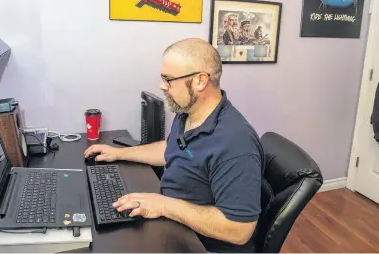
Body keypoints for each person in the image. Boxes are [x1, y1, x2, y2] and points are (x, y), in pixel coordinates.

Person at [84, 38, 264, 253]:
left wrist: (164, 205)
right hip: (175, 225)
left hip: (202, 246)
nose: (162, 86)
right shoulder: (188, 113)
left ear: (200, 81)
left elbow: (239, 231)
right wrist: (120, 153)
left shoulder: (236, 143)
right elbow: (171, 149)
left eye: (168, 79)